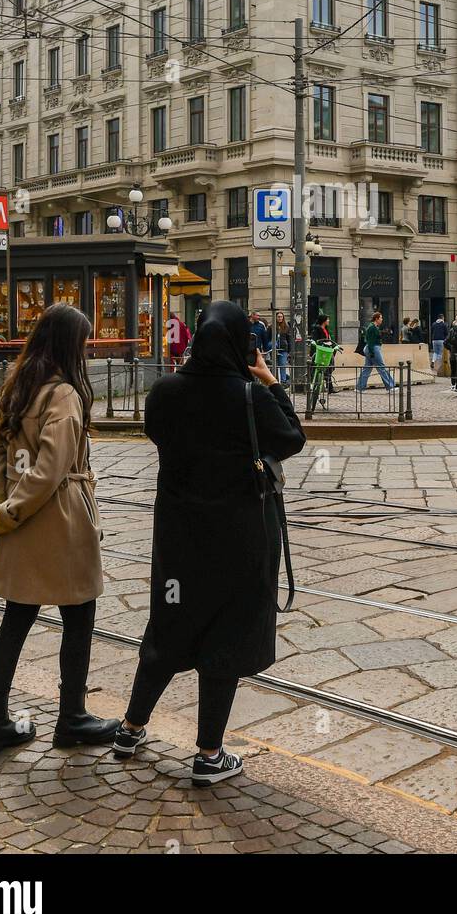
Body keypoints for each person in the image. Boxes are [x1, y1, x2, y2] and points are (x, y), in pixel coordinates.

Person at [113, 301, 305, 783]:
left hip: (179, 540)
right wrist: (270, 379)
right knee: (226, 638)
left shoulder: (164, 392)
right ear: (243, 344)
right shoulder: (248, 396)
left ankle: (130, 728)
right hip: (239, 542)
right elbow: (292, 438)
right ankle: (209, 754)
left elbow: (158, 434)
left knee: (168, 630)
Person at [0, 303, 120, 758]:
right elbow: (51, 470)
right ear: (69, 345)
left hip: (19, 525)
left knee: (16, 620)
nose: (88, 350)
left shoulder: (18, 386)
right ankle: (71, 719)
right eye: (84, 342)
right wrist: (13, 512)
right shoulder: (65, 396)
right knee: (79, 618)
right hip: (60, 522)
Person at [356, 311, 396, 392]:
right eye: (381, 318)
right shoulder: (372, 327)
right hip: (373, 348)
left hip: (371, 348)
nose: (382, 319)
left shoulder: (373, 327)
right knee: (381, 367)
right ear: (376, 319)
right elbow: (370, 341)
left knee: (367, 368)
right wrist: (372, 352)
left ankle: (359, 388)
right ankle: (390, 386)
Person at [311, 312, 335, 393]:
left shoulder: (326, 329)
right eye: (327, 319)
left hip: (327, 350)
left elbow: (328, 338)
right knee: (322, 368)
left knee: (328, 368)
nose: (328, 321)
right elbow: (315, 340)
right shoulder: (317, 329)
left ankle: (330, 387)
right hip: (321, 351)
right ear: (323, 320)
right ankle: (325, 387)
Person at [273, 310, 290, 385]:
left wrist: (290, 350)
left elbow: (289, 339)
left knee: (283, 365)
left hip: (283, 349)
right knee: (274, 365)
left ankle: (283, 382)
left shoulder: (286, 327)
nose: (280, 318)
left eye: (281, 317)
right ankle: (275, 381)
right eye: (278, 317)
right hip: (274, 349)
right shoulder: (272, 327)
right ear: (276, 318)